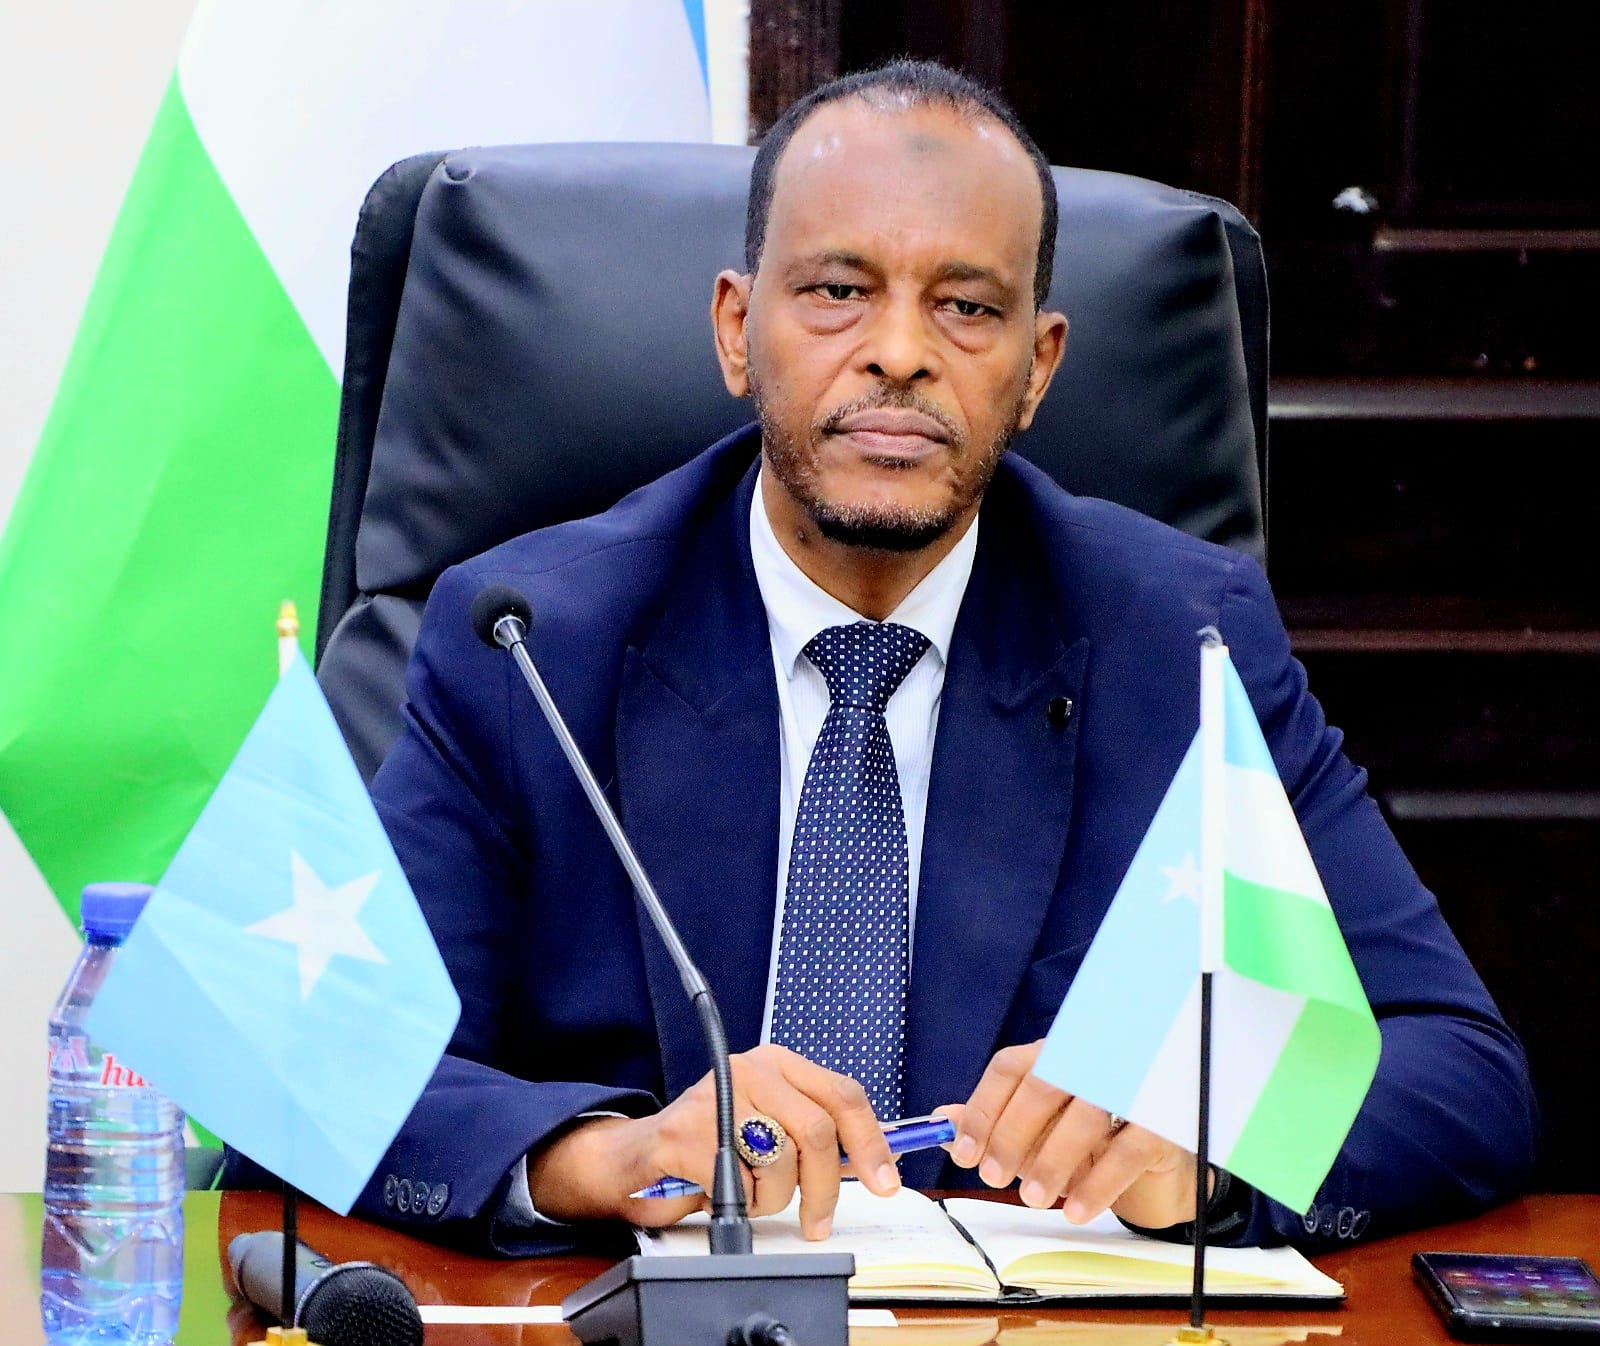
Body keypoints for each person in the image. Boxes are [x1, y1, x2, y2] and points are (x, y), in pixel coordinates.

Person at [272, 60, 1536, 1255]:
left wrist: (1206, 1148)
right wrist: (601, 1154)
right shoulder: (527, 642)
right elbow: (313, 1068)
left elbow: (1461, 1067)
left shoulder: (1179, 643)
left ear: (1037, 369)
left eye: (966, 306)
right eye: (837, 290)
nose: (898, 350)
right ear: (736, 329)